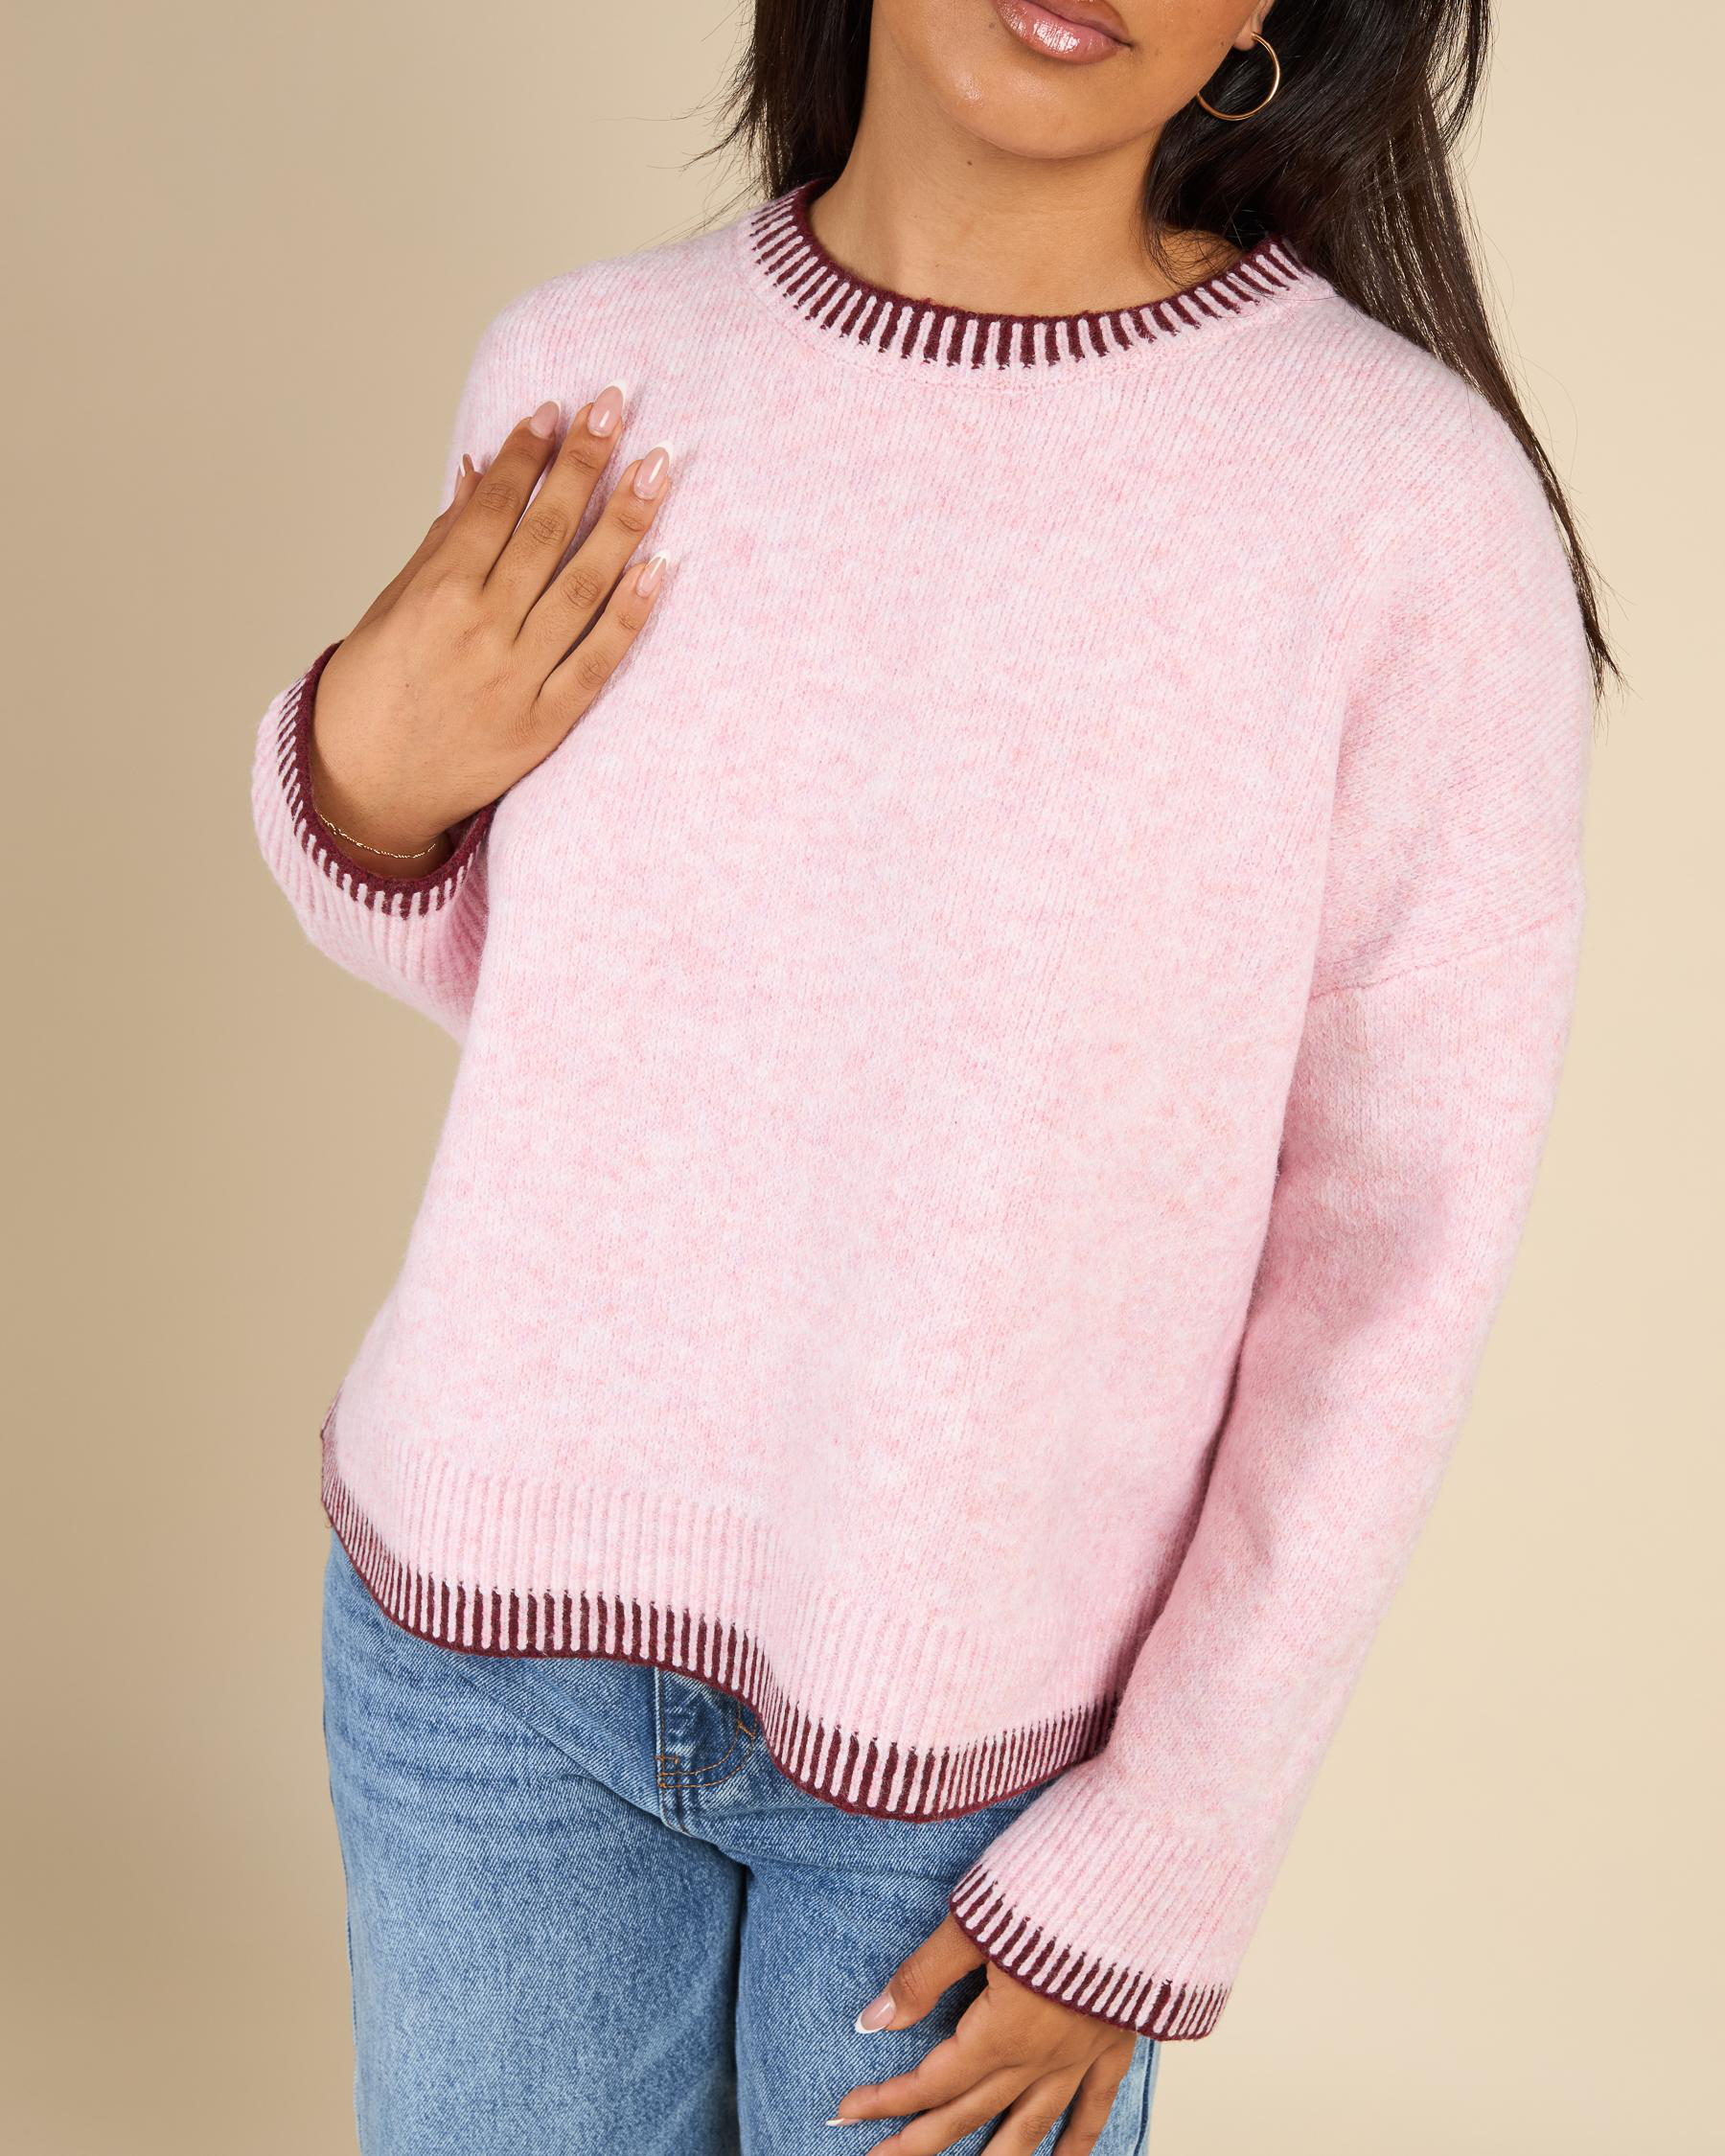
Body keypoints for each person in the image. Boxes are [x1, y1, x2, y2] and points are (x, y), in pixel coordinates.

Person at [251, 3, 1609, 2150]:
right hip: (480, 1664)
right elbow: (595, 1025)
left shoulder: (1405, 519)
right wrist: (355, 777)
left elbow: (1392, 1270)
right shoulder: (589, 376)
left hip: (988, 1776)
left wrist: (1163, 1850)